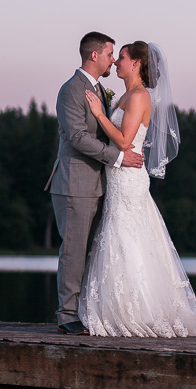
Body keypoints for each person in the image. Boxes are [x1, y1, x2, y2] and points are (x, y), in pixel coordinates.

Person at [78, 41, 196, 337]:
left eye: (121, 58)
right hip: (118, 177)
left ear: (136, 63)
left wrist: (99, 113)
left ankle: (137, 312)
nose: (116, 63)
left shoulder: (139, 96)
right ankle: (120, 307)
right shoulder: (126, 96)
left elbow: (124, 142)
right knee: (120, 239)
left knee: (129, 239)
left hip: (128, 179)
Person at [46, 32, 145, 335]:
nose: (113, 60)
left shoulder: (101, 91)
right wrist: (117, 158)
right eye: (110, 54)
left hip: (99, 184)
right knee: (74, 250)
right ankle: (66, 315)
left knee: (94, 251)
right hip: (74, 182)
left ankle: (90, 311)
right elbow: (77, 137)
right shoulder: (72, 90)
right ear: (94, 55)